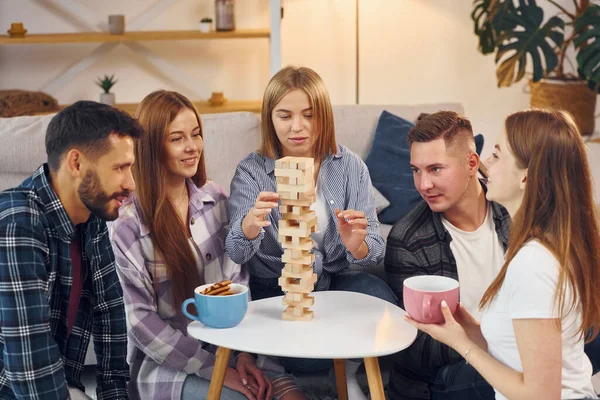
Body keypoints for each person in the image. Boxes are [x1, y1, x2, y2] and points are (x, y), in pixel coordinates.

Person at [110, 90, 305, 400]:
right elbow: (140, 322)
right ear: (151, 146)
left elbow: (237, 284)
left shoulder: (215, 200)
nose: (192, 147)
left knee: (290, 397)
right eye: (177, 138)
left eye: (196, 134)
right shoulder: (129, 226)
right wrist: (216, 369)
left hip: (231, 349)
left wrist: (242, 357)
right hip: (172, 365)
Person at [226, 65, 397, 399]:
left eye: (309, 114)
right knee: (285, 339)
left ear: (324, 116)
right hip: (274, 288)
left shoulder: (349, 167)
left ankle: (344, 374)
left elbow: (375, 247)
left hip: (334, 281)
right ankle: (289, 366)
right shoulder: (252, 170)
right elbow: (235, 252)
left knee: (382, 302)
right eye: (285, 116)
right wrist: (248, 228)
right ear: (270, 118)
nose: (298, 127)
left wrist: (357, 246)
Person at [405, 109, 600, 399]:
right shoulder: (543, 245)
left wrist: (463, 344)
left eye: (496, 155)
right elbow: (515, 353)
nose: (486, 165)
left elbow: (540, 395)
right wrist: (468, 329)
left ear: (525, 177)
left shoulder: (533, 262)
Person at [0, 101, 141, 399]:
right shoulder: (17, 223)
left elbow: (109, 313)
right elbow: (30, 366)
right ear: (76, 164)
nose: (131, 183)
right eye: (120, 168)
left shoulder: (90, 217)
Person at [384, 111, 508, 399]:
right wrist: (509, 344)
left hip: (516, 350)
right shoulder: (408, 239)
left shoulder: (512, 212)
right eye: (416, 170)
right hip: (445, 378)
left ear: (471, 163)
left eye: (435, 169)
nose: (423, 184)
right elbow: (418, 347)